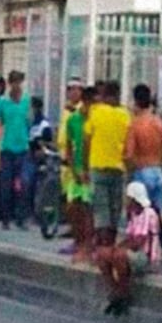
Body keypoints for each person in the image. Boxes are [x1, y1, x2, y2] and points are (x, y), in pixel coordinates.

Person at [94, 181, 161, 317]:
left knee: (119, 256)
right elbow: (128, 237)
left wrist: (119, 249)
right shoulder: (132, 214)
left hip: (145, 256)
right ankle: (115, 291)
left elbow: (139, 241)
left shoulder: (149, 214)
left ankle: (123, 293)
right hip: (133, 251)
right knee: (102, 254)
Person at [84, 81, 130, 250]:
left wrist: (85, 162)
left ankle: (103, 246)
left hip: (98, 165)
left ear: (104, 96)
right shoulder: (125, 115)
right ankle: (111, 243)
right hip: (118, 167)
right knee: (115, 207)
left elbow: (87, 139)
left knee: (101, 208)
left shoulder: (96, 112)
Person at [0, 70, 32, 230]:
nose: (17, 85)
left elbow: (28, 121)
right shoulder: (2, 102)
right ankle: (6, 218)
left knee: (23, 183)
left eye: (19, 82)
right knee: (6, 185)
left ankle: (21, 217)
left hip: (22, 146)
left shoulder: (26, 100)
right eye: (14, 82)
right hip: (7, 147)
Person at [60, 86, 95, 262]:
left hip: (91, 171)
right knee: (73, 207)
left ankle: (87, 245)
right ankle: (78, 240)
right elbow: (69, 146)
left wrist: (89, 171)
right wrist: (74, 169)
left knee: (88, 210)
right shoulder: (73, 120)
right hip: (77, 170)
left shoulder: (95, 120)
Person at [124, 84, 162, 214]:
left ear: (135, 102)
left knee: (140, 213)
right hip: (158, 171)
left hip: (142, 171)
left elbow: (129, 154)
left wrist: (128, 170)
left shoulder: (135, 124)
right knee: (158, 211)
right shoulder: (158, 123)